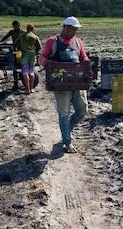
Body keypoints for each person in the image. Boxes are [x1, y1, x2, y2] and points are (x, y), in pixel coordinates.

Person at [39, 16, 90, 153]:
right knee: (64, 113)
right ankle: (67, 142)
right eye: (73, 29)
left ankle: (68, 128)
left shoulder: (78, 42)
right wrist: (46, 63)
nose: (75, 32)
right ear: (65, 27)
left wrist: (86, 62)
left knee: (82, 110)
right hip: (60, 84)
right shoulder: (53, 41)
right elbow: (42, 57)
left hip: (77, 82)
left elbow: (83, 57)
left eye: (76, 29)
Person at [15, 23, 42, 94]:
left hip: (24, 55)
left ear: (27, 28)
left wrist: (18, 53)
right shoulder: (35, 36)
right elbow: (39, 47)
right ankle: (32, 88)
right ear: (33, 29)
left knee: (25, 73)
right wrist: (36, 54)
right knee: (31, 73)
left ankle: (27, 89)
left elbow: (16, 44)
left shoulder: (21, 35)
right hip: (32, 55)